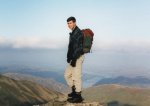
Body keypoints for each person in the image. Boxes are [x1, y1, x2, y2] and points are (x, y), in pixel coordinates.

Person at [64, 16, 85, 103]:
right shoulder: (73, 32)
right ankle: (74, 92)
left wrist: (74, 59)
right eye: (68, 23)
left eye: (70, 23)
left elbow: (79, 49)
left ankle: (78, 96)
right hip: (73, 58)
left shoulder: (78, 33)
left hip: (78, 58)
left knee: (77, 77)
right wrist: (69, 57)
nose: (69, 25)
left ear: (75, 22)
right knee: (67, 75)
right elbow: (71, 47)